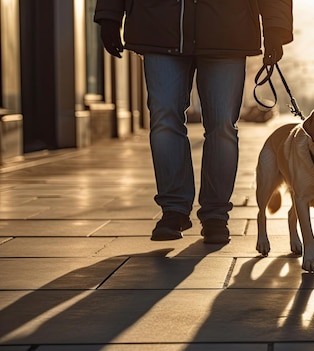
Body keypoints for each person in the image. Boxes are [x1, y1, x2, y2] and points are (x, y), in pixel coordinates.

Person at [94, 1, 293, 242]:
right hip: (159, 25)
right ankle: (173, 210)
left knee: (222, 126)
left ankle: (216, 215)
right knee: (164, 119)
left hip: (227, 30)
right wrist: (109, 15)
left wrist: (276, 27)